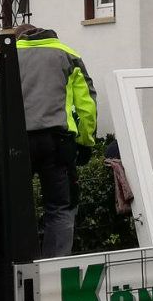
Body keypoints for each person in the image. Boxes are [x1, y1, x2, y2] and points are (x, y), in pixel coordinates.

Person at [16, 26, 98, 256]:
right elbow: (86, 106)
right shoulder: (68, 55)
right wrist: (85, 141)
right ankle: (54, 267)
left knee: (17, 206)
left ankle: (20, 263)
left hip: (17, 143)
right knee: (61, 207)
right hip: (57, 143)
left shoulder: (8, 56)